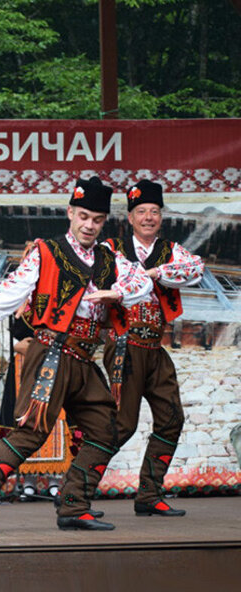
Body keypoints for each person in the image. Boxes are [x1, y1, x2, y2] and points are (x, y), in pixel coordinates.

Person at [0, 176, 151, 533]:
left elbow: (143, 283)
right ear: (70, 213)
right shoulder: (46, 252)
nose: (89, 225)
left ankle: (73, 505)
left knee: (105, 430)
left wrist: (115, 294)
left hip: (84, 360)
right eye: (83, 216)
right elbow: (11, 289)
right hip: (51, 354)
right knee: (30, 433)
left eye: (97, 220)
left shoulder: (109, 258)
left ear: (104, 222)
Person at [103, 179, 203, 517]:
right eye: (142, 212)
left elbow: (196, 268)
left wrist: (158, 271)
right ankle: (76, 492)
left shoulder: (170, 250)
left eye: (154, 212)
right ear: (129, 217)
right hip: (123, 345)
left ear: (161, 216)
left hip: (154, 346)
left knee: (172, 417)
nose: (148, 217)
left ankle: (148, 494)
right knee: (122, 424)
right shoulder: (111, 248)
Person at [0, 305, 77, 499]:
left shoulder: (55, 295)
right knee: (26, 415)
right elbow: (1, 329)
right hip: (23, 361)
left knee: (54, 416)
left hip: (53, 358)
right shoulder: (15, 298)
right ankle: (28, 481)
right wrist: (15, 345)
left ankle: (55, 480)